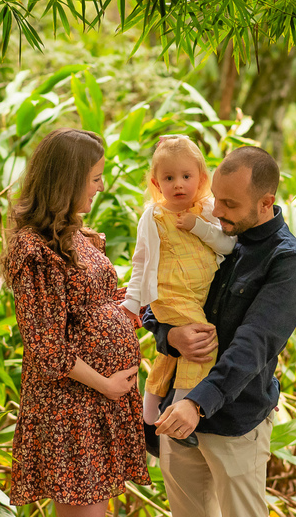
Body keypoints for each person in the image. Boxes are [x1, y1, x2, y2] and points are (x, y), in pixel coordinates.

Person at [144, 145, 296, 517]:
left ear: (265, 202)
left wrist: (197, 402)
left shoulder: (288, 262)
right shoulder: (210, 231)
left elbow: (255, 344)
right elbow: (160, 296)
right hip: (179, 412)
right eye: (217, 198)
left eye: (230, 204)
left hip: (234, 423)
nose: (217, 210)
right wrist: (169, 336)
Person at [0, 128, 149, 515]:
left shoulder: (74, 232)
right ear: (67, 181)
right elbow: (46, 345)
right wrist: (107, 385)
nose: (101, 187)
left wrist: (138, 303)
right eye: (95, 178)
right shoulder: (34, 249)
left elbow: (90, 305)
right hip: (73, 405)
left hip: (98, 401)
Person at [121, 135, 236, 452]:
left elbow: (228, 245)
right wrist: (132, 303)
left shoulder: (207, 211)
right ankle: (180, 418)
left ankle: (147, 416)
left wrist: (198, 226)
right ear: (157, 183)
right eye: (169, 178)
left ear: (201, 178)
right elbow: (141, 260)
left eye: (186, 176)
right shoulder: (154, 216)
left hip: (196, 294)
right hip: (172, 293)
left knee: (168, 358)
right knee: (200, 345)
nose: (178, 185)